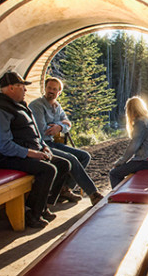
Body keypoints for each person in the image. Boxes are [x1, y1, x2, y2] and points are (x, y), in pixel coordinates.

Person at [0, 71, 73, 228]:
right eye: (22, 87)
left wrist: (43, 147)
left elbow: (35, 133)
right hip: (6, 158)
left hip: (28, 152)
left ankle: (43, 205)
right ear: (11, 88)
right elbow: (2, 145)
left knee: (64, 164)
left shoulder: (18, 107)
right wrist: (32, 153)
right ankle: (32, 213)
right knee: (47, 170)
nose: (25, 90)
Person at [28, 78, 104, 206]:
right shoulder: (37, 105)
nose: (51, 91)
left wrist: (59, 127)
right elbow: (42, 130)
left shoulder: (57, 106)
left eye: (54, 89)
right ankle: (93, 193)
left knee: (84, 156)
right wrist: (59, 126)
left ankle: (65, 189)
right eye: (49, 88)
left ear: (59, 92)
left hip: (52, 143)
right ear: (44, 88)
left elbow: (68, 123)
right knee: (71, 159)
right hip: (41, 144)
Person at [109, 97, 148, 188]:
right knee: (125, 169)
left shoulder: (140, 122)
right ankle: (125, 192)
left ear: (130, 110)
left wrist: (121, 161)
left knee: (114, 173)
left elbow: (134, 145)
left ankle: (121, 198)